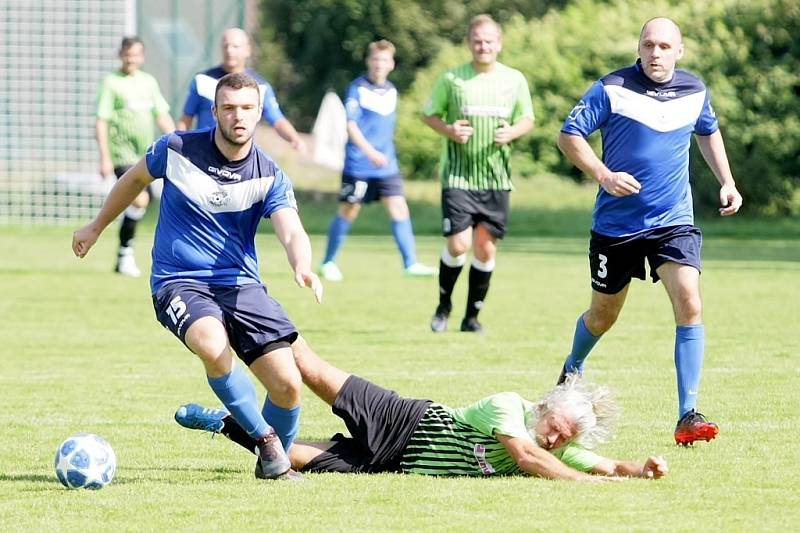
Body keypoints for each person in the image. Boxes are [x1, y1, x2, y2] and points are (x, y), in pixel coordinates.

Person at [74, 72, 325, 480]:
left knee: (288, 385)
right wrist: (96, 227)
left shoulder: (269, 173)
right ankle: (266, 445)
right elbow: (134, 179)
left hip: (241, 284)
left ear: (259, 113)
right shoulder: (176, 147)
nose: (237, 116)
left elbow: (291, 227)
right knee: (211, 343)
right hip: (179, 280)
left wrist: (303, 264)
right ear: (215, 112)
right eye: (228, 108)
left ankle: (267, 457)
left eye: (246, 108)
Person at [555, 17, 743, 446]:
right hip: (616, 226)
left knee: (690, 302)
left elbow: (708, 132)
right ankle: (572, 367)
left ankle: (687, 415)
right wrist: (603, 175)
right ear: (639, 49)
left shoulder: (695, 91)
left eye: (664, 46)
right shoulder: (611, 88)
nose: (655, 53)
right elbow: (569, 137)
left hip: (672, 221)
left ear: (679, 51)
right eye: (648, 45)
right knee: (603, 318)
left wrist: (727, 181)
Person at [175, 340, 668, 480]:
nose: (556, 442)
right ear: (543, 408)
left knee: (290, 457)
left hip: (394, 462)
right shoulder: (508, 410)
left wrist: (638, 470)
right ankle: (258, 331)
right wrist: (584, 484)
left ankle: (220, 422)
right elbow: (526, 459)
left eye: (564, 441)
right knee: (313, 370)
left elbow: (606, 464)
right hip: (403, 420)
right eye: (557, 430)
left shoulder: (555, 449)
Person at [422, 14, 534, 333]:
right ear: (469, 44)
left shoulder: (514, 80)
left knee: (485, 249)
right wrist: (448, 129)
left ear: (499, 44)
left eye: (489, 41)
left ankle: (471, 317)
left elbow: (528, 118)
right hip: (458, 177)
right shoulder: (452, 79)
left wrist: (512, 132)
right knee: (459, 245)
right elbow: (429, 114)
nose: (483, 46)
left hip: (496, 178)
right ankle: (444, 305)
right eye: (477, 41)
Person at [318, 40, 437, 282]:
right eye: (375, 59)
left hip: (386, 166)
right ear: (368, 61)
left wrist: (383, 154)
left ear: (391, 64)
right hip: (360, 164)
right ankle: (328, 262)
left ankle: (410, 263)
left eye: (384, 60)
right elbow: (351, 126)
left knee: (399, 208)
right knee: (350, 209)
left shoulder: (392, 90)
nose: (379, 64)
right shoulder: (356, 88)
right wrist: (370, 152)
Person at [95, 36, 175, 277]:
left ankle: (123, 252)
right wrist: (104, 157)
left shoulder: (148, 82)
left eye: (136, 54)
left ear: (142, 57)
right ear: (121, 55)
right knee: (139, 200)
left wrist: (180, 141)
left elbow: (161, 114)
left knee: (142, 201)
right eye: (127, 54)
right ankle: (125, 254)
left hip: (146, 154)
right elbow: (101, 121)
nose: (131, 58)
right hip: (122, 154)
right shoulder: (111, 83)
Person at [176, 27, 305, 154]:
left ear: (247, 50)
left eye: (235, 46)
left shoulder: (260, 86)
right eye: (226, 46)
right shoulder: (202, 81)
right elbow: (186, 119)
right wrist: (178, 144)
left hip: (239, 159)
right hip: (203, 154)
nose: (229, 51)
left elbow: (277, 120)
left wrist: (295, 139)